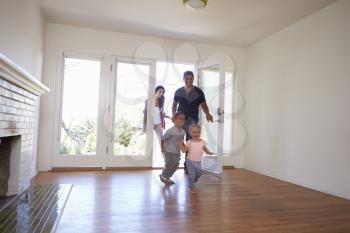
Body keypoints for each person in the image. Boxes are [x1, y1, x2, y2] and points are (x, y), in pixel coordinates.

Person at [172, 71, 213, 173]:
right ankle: (173, 164)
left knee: (191, 145)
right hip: (180, 121)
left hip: (192, 121)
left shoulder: (198, 92)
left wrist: (208, 114)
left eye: (191, 79)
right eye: (187, 79)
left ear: (193, 79)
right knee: (178, 143)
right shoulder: (178, 91)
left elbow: (204, 105)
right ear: (183, 79)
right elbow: (174, 106)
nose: (189, 81)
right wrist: (174, 116)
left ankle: (188, 166)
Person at [180, 124, 214, 193]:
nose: (197, 134)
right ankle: (192, 187)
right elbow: (184, 151)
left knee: (200, 173)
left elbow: (205, 148)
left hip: (198, 161)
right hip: (190, 161)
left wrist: (209, 152)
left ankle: (194, 179)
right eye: (194, 132)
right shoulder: (189, 142)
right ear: (190, 133)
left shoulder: (202, 141)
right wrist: (180, 144)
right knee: (192, 175)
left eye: (198, 132)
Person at [159, 112, 186, 185]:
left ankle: (167, 177)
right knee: (171, 162)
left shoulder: (183, 132)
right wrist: (162, 147)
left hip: (177, 151)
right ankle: (163, 175)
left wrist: (184, 147)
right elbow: (162, 139)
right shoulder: (170, 131)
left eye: (183, 119)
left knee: (176, 165)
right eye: (179, 118)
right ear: (174, 120)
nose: (182, 120)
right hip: (169, 150)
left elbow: (181, 141)